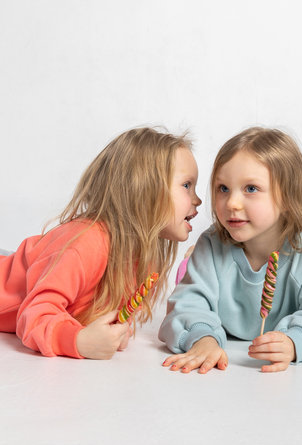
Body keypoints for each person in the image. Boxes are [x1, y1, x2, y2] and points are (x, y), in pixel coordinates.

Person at [0, 127, 201, 359]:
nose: (197, 199)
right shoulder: (86, 243)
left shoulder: (137, 255)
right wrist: (77, 340)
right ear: (144, 188)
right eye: (187, 185)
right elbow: (34, 314)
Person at [159, 127, 302, 373]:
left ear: (289, 197)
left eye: (250, 189)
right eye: (223, 188)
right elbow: (188, 304)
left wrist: (294, 342)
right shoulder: (212, 244)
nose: (232, 203)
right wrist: (203, 338)